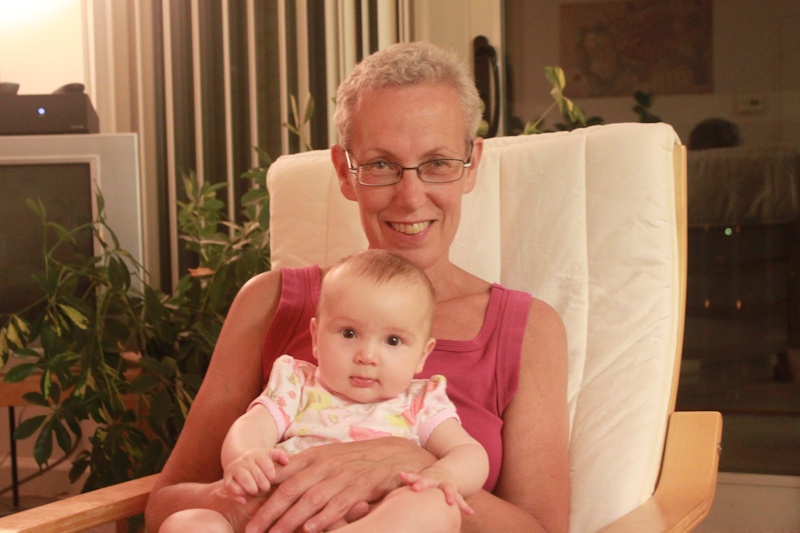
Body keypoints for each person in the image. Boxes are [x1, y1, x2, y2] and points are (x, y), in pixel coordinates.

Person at [146, 41, 570, 533]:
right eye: (381, 165)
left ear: (471, 164)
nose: (410, 197)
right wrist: (260, 494)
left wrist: (407, 467)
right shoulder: (270, 302)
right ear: (345, 173)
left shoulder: (526, 330)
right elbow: (164, 506)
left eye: (437, 162)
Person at [159, 250, 489, 532]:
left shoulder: (420, 403)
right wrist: (247, 455)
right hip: (279, 515)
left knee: (437, 506)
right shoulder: (297, 384)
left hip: (371, 519)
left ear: (422, 355)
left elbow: (469, 453)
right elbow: (254, 424)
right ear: (316, 337)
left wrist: (445, 473)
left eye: (393, 341)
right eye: (349, 333)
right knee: (187, 523)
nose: (367, 356)